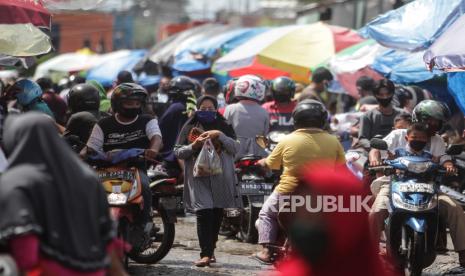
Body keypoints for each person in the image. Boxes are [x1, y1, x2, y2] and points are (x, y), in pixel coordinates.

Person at [0, 113, 125, 275]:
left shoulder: (14, 181)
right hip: (94, 268)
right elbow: (107, 237)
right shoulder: (88, 177)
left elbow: (25, 245)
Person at [369, 101, 465, 272]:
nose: (434, 126)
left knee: (454, 208)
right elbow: (376, 149)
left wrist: (449, 165)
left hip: (428, 188)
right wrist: (375, 158)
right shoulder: (398, 135)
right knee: (377, 211)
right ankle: (367, 253)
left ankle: (463, 254)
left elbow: (444, 158)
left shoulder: (437, 141)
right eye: (432, 121)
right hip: (394, 184)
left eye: (438, 122)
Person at [252, 99, 346, 264]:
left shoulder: (288, 140)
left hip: (288, 191)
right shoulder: (333, 141)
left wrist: (263, 162)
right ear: (323, 120)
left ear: (296, 119)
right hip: (322, 195)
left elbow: (272, 163)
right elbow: (342, 169)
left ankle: (266, 251)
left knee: (266, 214)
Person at [86, 83, 162, 242]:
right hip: (106, 170)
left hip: (135, 169)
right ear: (117, 103)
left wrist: (153, 149)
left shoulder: (148, 120)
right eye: (129, 103)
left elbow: (156, 138)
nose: (133, 106)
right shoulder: (103, 124)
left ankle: (143, 223)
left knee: (146, 189)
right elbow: (91, 147)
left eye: (137, 103)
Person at [174, 95, 242, 267]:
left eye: (210, 109)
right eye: (202, 109)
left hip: (221, 177)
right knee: (204, 213)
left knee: (216, 213)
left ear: (216, 109)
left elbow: (235, 148)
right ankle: (205, 254)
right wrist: (194, 145)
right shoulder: (189, 126)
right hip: (198, 178)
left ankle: (210, 251)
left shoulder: (224, 125)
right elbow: (178, 152)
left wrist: (220, 135)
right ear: (196, 109)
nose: (206, 111)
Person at [223, 75, 269, 159]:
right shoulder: (264, 111)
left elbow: (225, 133)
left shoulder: (230, 108)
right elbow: (264, 136)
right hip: (257, 156)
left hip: (234, 155)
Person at [358, 79, 405, 149]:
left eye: (388, 94)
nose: (385, 97)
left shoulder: (402, 114)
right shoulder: (368, 116)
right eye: (381, 95)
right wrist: (375, 148)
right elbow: (363, 139)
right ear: (375, 95)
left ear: (392, 94)